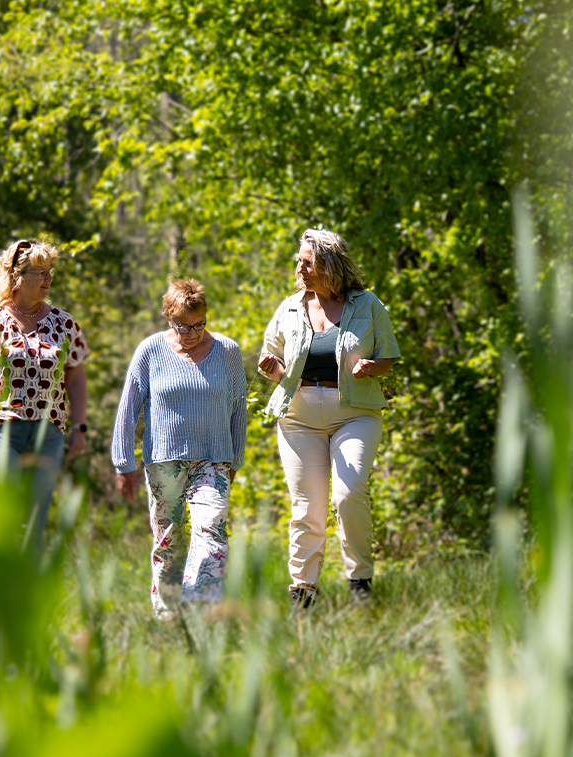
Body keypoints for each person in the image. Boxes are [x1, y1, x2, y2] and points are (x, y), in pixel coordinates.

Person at [258, 229, 400, 608]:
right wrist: (272, 369)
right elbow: (271, 361)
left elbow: (388, 357)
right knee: (306, 506)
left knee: (349, 492)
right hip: (299, 416)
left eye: (308, 262)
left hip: (354, 413)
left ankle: (360, 584)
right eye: (298, 262)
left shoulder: (367, 304)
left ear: (330, 265)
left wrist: (373, 368)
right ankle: (302, 592)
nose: (300, 269)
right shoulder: (289, 307)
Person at [112, 278, 246, 619]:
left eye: (199, 325)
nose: (191, 333)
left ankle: (200, 608)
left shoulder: (227, 352)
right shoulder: (150, 350)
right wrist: (123, 461)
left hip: (213, 460)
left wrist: (235, 458)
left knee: (212, 532)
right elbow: (129, 408)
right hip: (163, 462)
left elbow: (238, 408)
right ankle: (167, 615)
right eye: (182, 326)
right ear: (168, 318)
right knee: (167, 541)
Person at [0, 238, 89, 553]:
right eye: (40, 272)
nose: (49, 279)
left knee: (33, 524)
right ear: (17, 276)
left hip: (48, 433)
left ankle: (26, 596)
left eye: (50, 271)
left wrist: (79, 427)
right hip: (0, 429)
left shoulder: (64, 322)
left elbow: (77, 378)